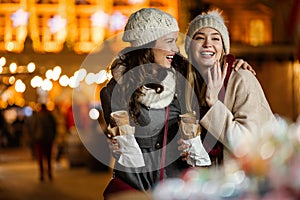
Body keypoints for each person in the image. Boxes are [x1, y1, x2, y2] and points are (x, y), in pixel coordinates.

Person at [100, 8, 254, 198]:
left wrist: (234, 62)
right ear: (148, 44)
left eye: (176, 41)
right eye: (170, 41)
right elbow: (124, 147)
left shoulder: (183, 80)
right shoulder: (114, 91)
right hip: (136, 190)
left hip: (178, 190)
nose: (175, 49)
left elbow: (210, 60)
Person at [181, 9, 276, 168]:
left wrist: (214, 104)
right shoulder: (185, 84)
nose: (207, 44)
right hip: (207, 181)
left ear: (223, 48)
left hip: (246, 179)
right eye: (199, 38)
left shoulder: (242, 79)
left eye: (215, 38)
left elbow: (247, 145)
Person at [30, 104, 57, 182]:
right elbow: (54, 127)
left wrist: (33, 137)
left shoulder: (37, 116)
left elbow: (33, 127)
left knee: (40, 157)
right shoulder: (50, 116)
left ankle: (41, 174)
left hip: (39, 139)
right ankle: (49, 173)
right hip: (48, 139)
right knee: (48, 157)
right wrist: (53, 136)